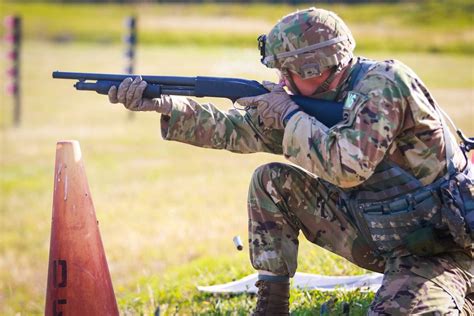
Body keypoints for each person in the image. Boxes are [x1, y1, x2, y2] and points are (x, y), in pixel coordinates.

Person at [108, 7, 473, 315]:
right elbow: (235, 129)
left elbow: (347, 167)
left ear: (316, 67)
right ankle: (272, 304)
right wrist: (164, 104)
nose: (280, 80)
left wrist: (288, 116)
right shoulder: (309, 99)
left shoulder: (385, 84)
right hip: (379, 235)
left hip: (440, 247)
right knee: (271, 181)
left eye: (288, 71)